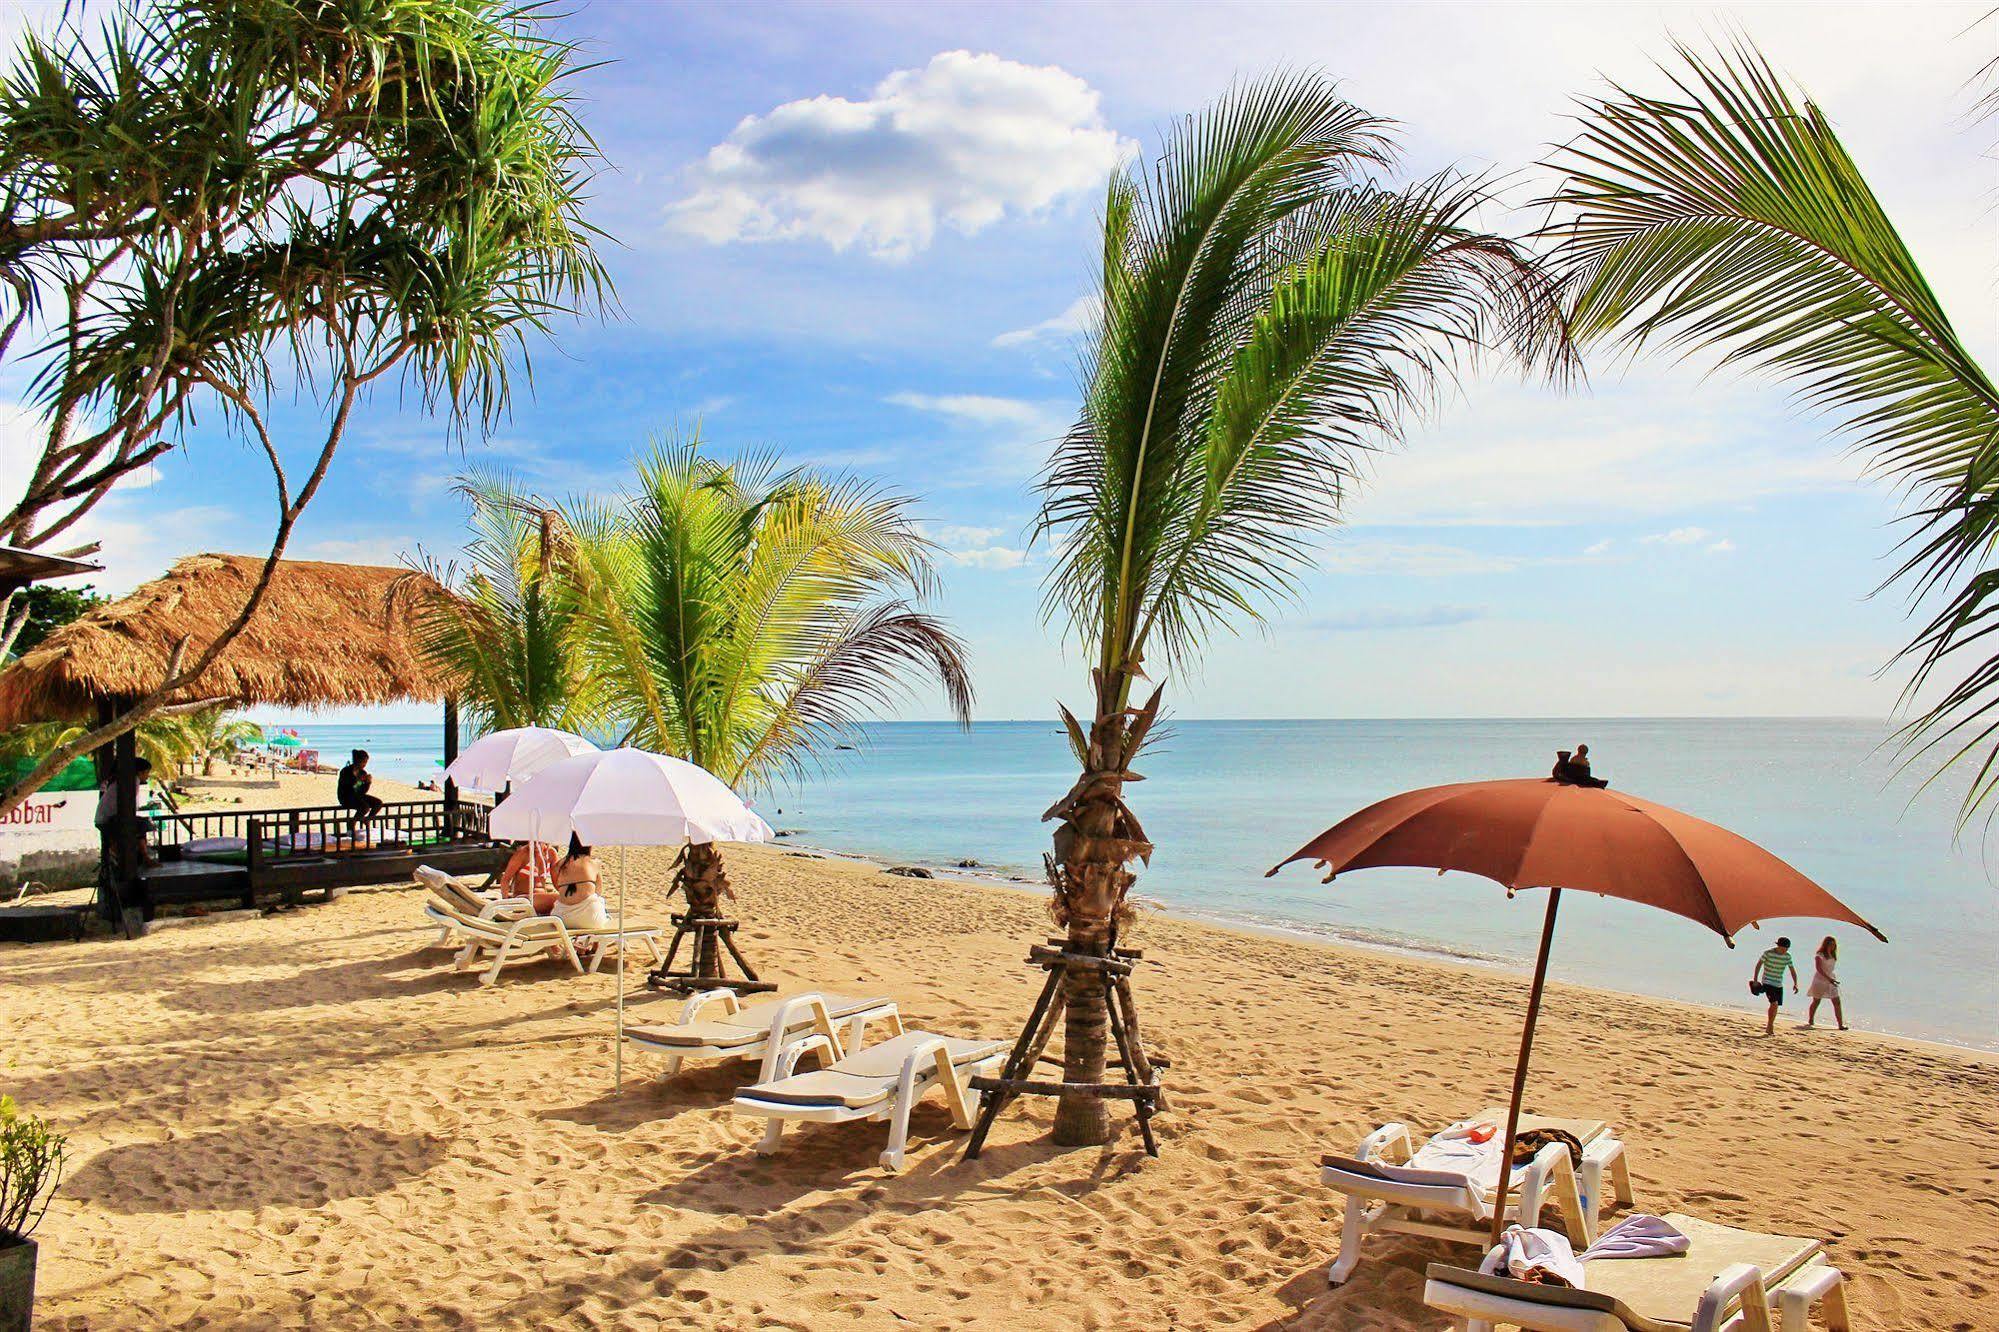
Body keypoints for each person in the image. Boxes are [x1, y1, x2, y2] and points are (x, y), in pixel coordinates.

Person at [550, 834, 608, 960]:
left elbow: (557, 887)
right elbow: (598, 891)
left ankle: (582, 943)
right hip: (589, 919)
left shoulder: (559, 864)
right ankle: (595, 946)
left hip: (562, 919)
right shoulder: (594, 863)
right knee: (598, 901)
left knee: (592, 903)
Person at [1749, 935, 1799, 1036]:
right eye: (1784, 948)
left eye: (1787, 948)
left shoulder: (1787, 956)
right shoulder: (1768, 953)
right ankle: (1770, 1026)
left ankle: (1760, 989)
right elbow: (1758, 965)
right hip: (1768, 981)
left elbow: (1792, 970)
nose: (1785, 950)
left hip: (1778, 984)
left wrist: (1795, 983)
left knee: (1776, 1006)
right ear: (1779, 946)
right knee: (1774, 1003)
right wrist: (1755, 979)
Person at [336, 749, 385, 830]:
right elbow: (348, 788)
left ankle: (368, 819)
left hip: (357, 796)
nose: (364, 764)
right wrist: (358, 781)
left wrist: (368, 783)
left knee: (378, 803)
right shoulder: (346, 771)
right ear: (357, 761)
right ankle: (352, 823)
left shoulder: (363, 773)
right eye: (363, 762)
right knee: (365, 807)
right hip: (346, 797)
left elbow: (363, 791)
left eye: (366, 762)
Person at [1805, 935, 1847, 1030]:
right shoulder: (1820, 955)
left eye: (1834, 945)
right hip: (1820, 980)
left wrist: (1831, 979)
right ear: (1826, 944)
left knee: (1837, 1001)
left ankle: (1840, 1024)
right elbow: (1819, 969)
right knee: (1816, 1001)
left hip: (1831, 979)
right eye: (1830, 944)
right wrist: (1828, 978)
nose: (1832, 946)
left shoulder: (1833, 955)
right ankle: (1811, 1019)